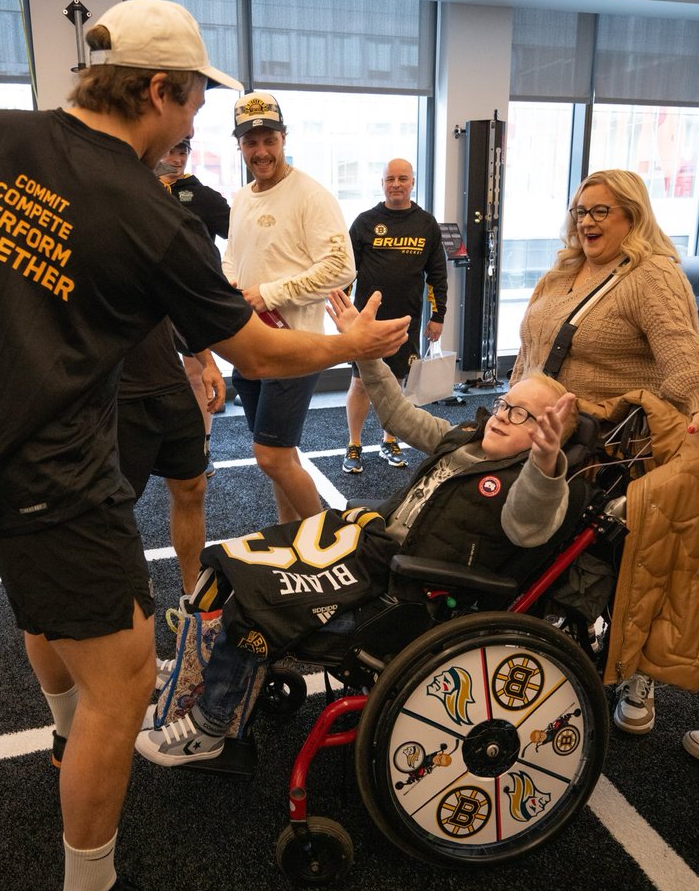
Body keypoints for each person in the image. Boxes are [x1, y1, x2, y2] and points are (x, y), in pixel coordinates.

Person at [0, 0, 410, 891]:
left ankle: (63, 741)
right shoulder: (147, 212)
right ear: (160, 91)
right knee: (127, 676)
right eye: (193, 106)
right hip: (51, 477)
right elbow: (255, 354)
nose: (197, 126)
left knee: (43, 613)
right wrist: (353, 344)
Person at [136, 288, 576, 769]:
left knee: (255, 602)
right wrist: (362, 351)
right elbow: (399, 415)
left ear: (546, 438)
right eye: (504, 404)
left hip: (399, 592)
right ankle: (193, 670)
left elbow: (530, 524)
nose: (502, 416)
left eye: (522, 415)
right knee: (237, 562)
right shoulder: (464, 439)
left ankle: (210, 728)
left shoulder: (528, 481)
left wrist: (545, 464)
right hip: (368, 551)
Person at [510, 168, 699, 740]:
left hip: (612, 445)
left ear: (633, 217)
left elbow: (683, 365)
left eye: (601, 211)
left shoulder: (653, 277)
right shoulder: (560, 273)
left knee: (621, 561)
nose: (586, 221)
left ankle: (637, 670)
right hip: (540, 431)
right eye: (580, 211)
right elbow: (529, 357)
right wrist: (509, 410)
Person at [222, 90, 355, 523]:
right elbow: (234, 258)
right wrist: (229, 282)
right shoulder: (241, 199)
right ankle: (290, 534)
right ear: (239, 144)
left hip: (293, 347)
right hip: (251, 346)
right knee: (281, 455)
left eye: (269, 140)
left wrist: (272, 292)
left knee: (271, 457)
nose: (261, 151)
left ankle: (330, 540)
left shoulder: (310, 196)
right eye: (250, 142)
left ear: (283, 137)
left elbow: (341, 267)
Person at [343, 157, 447, 473]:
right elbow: (346, 271)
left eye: (403, 178)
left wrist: (438, 315)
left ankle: (390, 440)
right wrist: (345, 316)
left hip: (407, 321)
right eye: (390, 179)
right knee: (361, 383)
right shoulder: (364, 222)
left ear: (412, 182)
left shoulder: (426, 224)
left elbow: (438, 273)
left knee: (397, 383)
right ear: (383, 183)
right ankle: (354, 444)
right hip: (367, 323)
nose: (396, 184)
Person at [116, 314, 224, 593]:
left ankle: (193, 596)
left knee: (192, 487)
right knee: (113, 505)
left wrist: (208, 362)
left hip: (170, 385)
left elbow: (177, 306)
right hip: (114, 394)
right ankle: (120, 597)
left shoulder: (155, 267)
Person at [155, 138, 230, 477]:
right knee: (152, 376)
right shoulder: (141, 189)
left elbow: (241, 232)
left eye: (182, 151)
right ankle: (159, 442)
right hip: (146, 299)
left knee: (195, 373)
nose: (176, 158)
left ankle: (202, 445)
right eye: (170, 150)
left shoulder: (200, 195)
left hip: (189, 298)